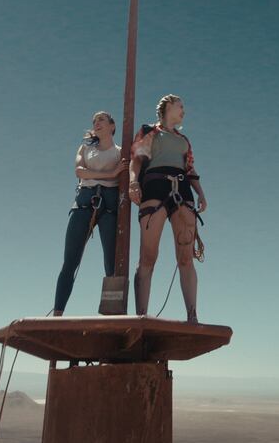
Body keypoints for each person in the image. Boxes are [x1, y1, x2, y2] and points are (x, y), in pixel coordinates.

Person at [129, 94, 207, 322]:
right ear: (168, 106)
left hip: (183, 189)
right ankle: (141, 316)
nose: (183, 110)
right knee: (148, 256)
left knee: (185, 257)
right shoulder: (149, 131)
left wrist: (201, 193)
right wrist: (134, 182)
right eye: (180, 105)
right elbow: (137, 160)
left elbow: (190, 168)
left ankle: (192, 315)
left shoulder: (184, 140)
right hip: (155, 186)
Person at [52, 111, 128, 316]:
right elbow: (80, 171)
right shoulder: (85, 147)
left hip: (109, 206)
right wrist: (110, 174)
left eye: (101, 119)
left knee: (112, 263)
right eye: (94, 121)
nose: (96, 123)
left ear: (112, 126)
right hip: (84, 202)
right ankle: (58, 312)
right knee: (70, 260)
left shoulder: (121, 152)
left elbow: (126, 176)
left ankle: (113, 313)